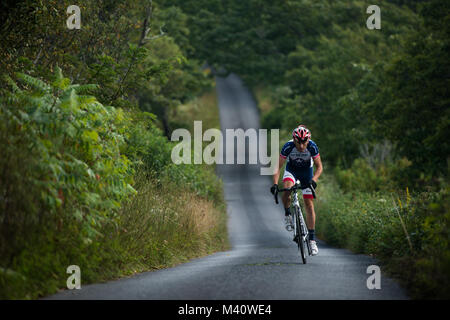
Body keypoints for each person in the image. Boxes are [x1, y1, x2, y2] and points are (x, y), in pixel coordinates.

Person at [270, 125, 323, 255]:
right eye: (298, 142)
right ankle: (288, 213)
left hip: (307, 173)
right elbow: (277, 167)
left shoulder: (312, 146)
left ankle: (311, 240)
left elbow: (319, 167)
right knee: (287, 188)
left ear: (308, 140)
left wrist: (314, 180)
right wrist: (275, 184)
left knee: (309, 205)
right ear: (294, 140)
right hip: (292, 170)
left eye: (304, 142)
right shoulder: (288, 146)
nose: (301, 146)